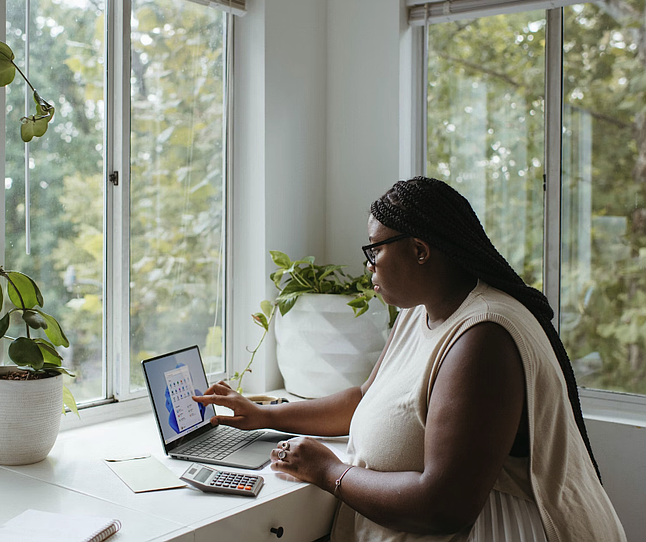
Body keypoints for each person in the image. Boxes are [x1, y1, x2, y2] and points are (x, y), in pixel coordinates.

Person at [194, 176, 627, 542]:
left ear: (419, 250)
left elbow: (444, 506)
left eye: (375, 250)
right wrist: (265, 414)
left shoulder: (483, 338)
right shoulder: (420, 312)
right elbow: (363, 398)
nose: (369, 267)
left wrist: (328, 472)